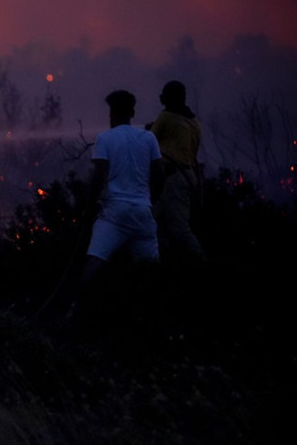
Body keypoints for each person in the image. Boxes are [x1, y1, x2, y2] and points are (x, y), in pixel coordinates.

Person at [67, 90, 164, 313]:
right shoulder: (149, 138)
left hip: (114, 213)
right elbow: (159, 176)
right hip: (143, 211)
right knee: (150, 268)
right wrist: (150, 202)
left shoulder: (105, 138)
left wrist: (89, 209)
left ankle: (74, 310)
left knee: (95, 260)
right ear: (132, 112)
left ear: (111, 113)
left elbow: (98, 177)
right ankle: (156, 313)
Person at [149, 80, 206, 263]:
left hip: (172, 178)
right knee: (154, 222)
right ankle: (163, 259)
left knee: (178, 228)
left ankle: (202, 262)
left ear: (171, 98)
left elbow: (150, 140)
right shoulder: (194, 121)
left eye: (165, 95)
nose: (161, 98)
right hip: (187, 176)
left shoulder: (166, 117)